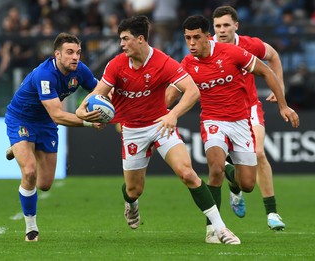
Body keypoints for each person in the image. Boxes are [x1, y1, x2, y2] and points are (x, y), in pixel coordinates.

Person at [76, 15, 241, 245]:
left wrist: (172, 114)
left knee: (188, 173)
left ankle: (220, 229)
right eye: (120, 39)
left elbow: (192, 91)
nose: (121, 44)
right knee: (134, 189)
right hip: (132, 130)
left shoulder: (163, 62)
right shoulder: (116, 65)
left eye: (125, 39)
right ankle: (131, 203)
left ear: (141, 39)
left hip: (160, 125)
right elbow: (95, 96)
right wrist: (83, 114)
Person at [166, 15, 299, 244]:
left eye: (196, 38)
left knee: (247, 185)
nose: (192, 43)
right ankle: (213, 231)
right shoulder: (187, 64)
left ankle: (231, 174)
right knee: (214, 168)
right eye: (187, 38)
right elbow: (170, 94)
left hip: (240, 122)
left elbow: (267, 71)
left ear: (208, 37)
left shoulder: (232, 53)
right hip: (212, 121)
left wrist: (283, 104)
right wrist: (159, 111)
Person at [5, 33, 105, 242]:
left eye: (78, 52)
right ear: (57, 54)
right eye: (69, 52)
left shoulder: (80, 71)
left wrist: (99, 105)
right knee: (30, 172)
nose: (75, 57)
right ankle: (31, 229)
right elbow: (58, 115)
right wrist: (87, 121)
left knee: (44, 184)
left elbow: (99, 90)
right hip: (22, 119)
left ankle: (18, 147)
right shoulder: (45, 74)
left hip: (46, 125)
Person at [211, 5, 289, 230]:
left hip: (249, 107)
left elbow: (273, 55)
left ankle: (272, 212)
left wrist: (279, 86)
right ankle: (234, 188)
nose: (222, 30)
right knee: (228, 165)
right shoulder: (208, 46)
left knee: (259, 153)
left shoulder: (249, 44)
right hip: (219, 112)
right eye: (218, 26)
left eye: (226, 25)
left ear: (236, 25)